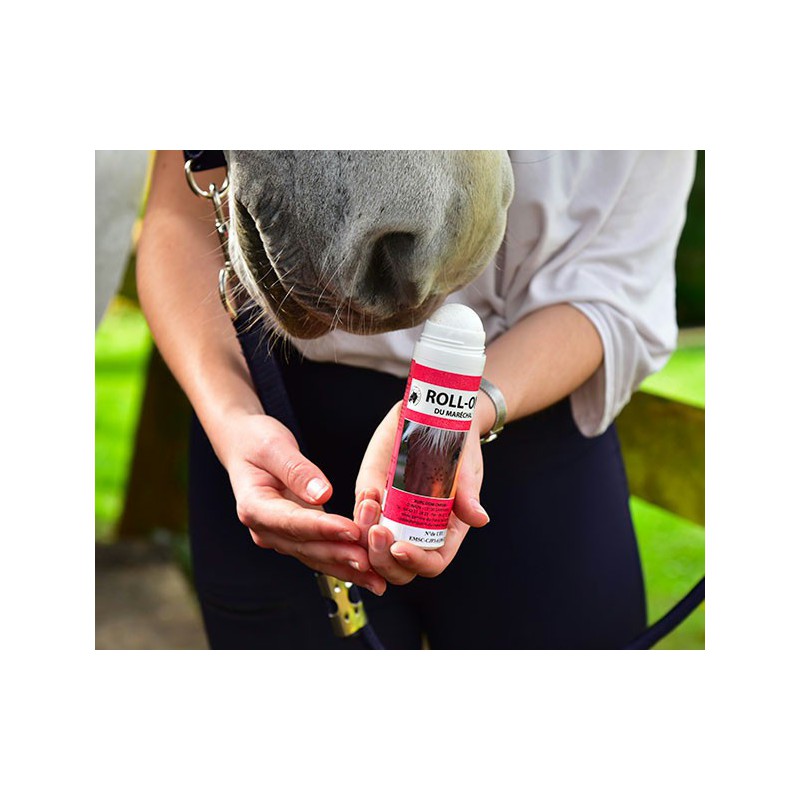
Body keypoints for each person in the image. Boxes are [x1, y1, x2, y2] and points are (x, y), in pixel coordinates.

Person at [137, 149, 696, 649]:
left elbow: (612, 291)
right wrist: (230, 417)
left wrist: (464, 410)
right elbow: (183, 216)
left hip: (527, 441)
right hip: (279, 433)